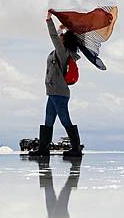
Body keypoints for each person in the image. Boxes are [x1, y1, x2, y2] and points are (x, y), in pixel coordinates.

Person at [29, 10, 83, 157]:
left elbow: (54, 36)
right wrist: (63, 28)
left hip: (59, 92)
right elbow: (58, 36)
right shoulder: (59, 51)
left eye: (62, 37)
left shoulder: (62, 51)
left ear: (64, 41)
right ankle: (43, 149)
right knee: (48, 120)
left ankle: (76, 149)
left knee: (65, 119)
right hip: (54, 91)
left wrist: (49, 20)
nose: (60, 37)